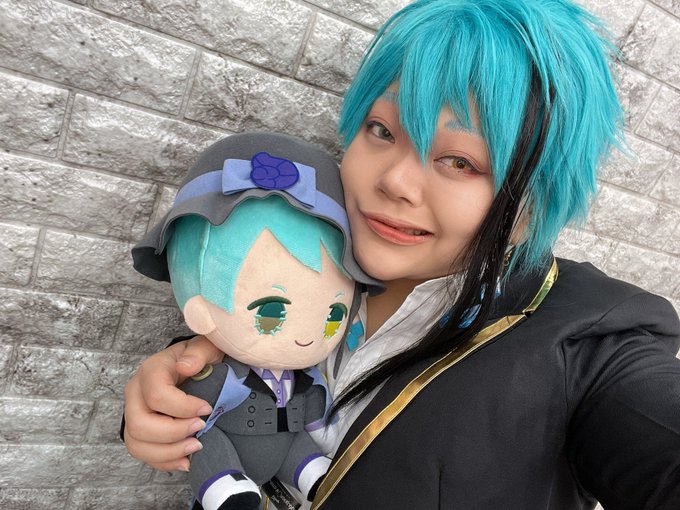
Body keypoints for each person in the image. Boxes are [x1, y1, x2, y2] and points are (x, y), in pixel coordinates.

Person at [122, 0, 680, 508]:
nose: (395, 181)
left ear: (531, 205)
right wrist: (176, 399)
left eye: (460, 161)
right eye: (382, 130)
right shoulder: (318, 243)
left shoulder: (588, 349)